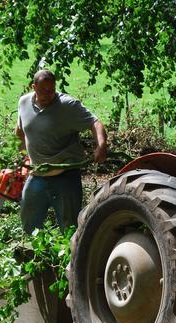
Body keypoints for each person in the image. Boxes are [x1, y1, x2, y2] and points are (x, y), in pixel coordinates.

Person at [15, 69, 107, 233]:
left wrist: (101, 145)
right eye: (43, 90)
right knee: (28, 223)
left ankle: (70, 258)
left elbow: (95, 122)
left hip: (65, 177)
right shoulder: (24, 102)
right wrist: (24, 157)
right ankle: (33, 256)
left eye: (52, 89)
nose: (49, 94)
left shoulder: (68, 105)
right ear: (33, 87)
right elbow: (20, 131)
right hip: (37, 175)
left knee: (69, 228)